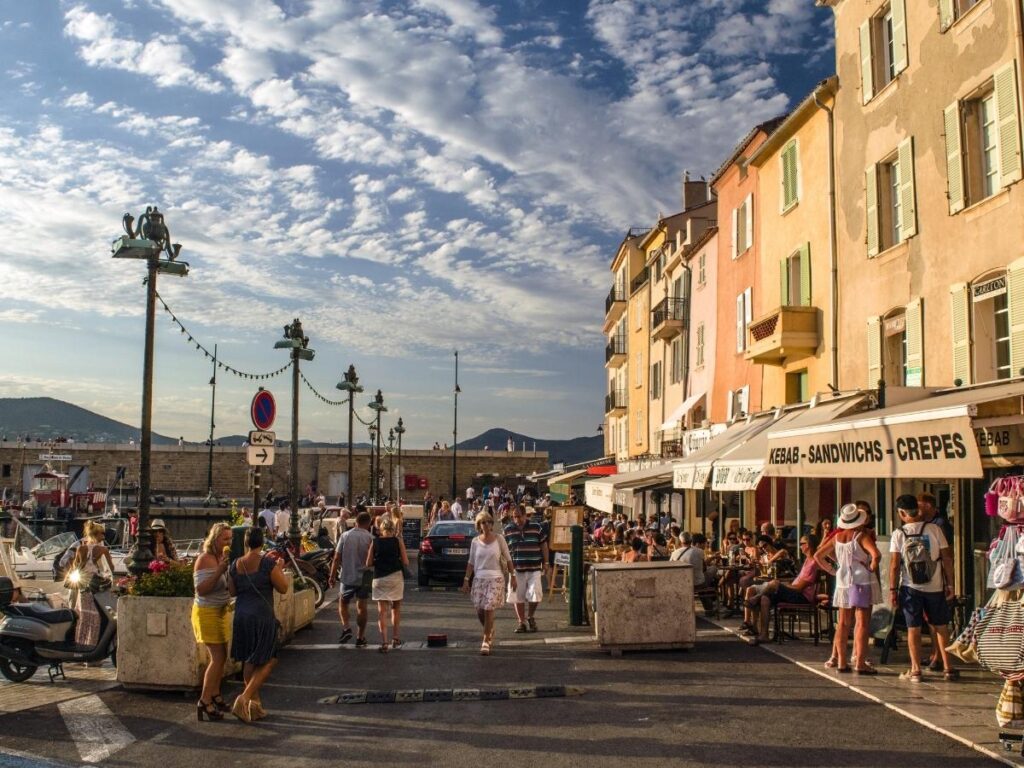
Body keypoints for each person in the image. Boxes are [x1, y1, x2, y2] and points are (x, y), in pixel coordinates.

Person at [889, 494, 958, 682]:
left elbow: (895, 565)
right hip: (935, 586)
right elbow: (947, 558)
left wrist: (892, 590)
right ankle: (948, 667)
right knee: (941, 626)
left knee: (914, 628)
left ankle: (916, 669)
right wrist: (950, 583)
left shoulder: (898, 534)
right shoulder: (934, 529)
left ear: (902, 513)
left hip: (910, 587)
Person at [228, 527, 289, 722]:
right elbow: (283, 587)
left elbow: (232, 592)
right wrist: (279, 567)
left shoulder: (235, 564)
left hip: (242, 616)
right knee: (269, 660)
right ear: (261, 542)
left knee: (249, 660)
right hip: (262, 616)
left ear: (246, 543)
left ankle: (255, 706)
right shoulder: (267, 564)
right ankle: (244, 699)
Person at [814, 503, 881, 674]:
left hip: (843, 581)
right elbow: (876, 554)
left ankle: (842, 662)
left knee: (842, 623)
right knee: (861, 623)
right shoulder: (860, 536)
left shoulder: (837, 537)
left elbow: (818, 555)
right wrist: (872, 565)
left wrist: (833, 569)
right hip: (860, 580)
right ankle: (860, 662)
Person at [742, 535, 820, 646]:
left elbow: (800, 588)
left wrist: (782, 585)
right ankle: (764, 635)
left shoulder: (813, 563)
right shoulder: (807, 560)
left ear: (808, 545)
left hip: (802, 596)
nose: (800, 546)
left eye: (801, 544)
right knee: (765, 598)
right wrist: (785, 585)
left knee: (774, 583)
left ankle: (755, 598)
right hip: (795, 592)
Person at [192, 522, 234, 721]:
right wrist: (219, 570)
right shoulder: (205, 559)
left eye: (231, 538)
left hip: (221, 611)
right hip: (207, 612)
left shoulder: (220, 558)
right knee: (217, 658)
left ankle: (215, 694)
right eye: (225, 539)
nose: (229, 542)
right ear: (215, 539)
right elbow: (202, 589)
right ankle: (204, 700)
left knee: (222, 656)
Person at [462, 512, 516, 655]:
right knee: (480, 611)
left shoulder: (499, 539)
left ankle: (486, 640)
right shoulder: (475, 542)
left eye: (488, 522)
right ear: (478, 525)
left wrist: (513, 576)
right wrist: (466, 580)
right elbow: (471, 562)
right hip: (479, 579)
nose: (486, 525)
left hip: (495, 579)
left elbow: (508, 558)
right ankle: (489, 629)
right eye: (482, 522)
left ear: (492, 524)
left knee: (488, 608)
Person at [329, 511, 373, 648]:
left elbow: (336, 558)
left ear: (355, 522)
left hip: (347, 575)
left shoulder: (345, 536)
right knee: (362, 607)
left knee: (343, 602)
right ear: (369, 523)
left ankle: (346, 628)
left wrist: (331, 575)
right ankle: (360, 637)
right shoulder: (371, 538)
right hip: (364, 577)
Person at [504, 504, 549, 633]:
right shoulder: (508, 530)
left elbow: (544, 545)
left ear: (525, 515)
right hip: (517, 569)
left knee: (536, 594)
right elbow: (505, 551)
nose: (517, 520)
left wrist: (546, 563)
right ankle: (521, 622)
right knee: (518, 596)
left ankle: (530, 616)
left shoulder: (536, 527)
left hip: (534, 567)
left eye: (519, 516)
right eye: (514, 517)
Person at [366, 517, 408, 652]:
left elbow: (368, 563)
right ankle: (395, 638)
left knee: (382, 611)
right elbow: (406, 562)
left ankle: (384, 642)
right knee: (396, 607)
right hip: (395, 576)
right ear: (393, 529)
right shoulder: (398, 541)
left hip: (379, 578)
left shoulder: (375, 542)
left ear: (381, 530)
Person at [71, 521, 115, 647]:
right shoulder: (103, 550)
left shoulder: (81, 548)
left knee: (82, 617)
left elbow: (75, 567)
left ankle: (80, 647)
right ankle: (92, 648)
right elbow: (111, 569)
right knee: (96, 618)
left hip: (83, 587)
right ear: (97, 535)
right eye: (102, 534)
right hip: (96, 588)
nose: (104, 537)